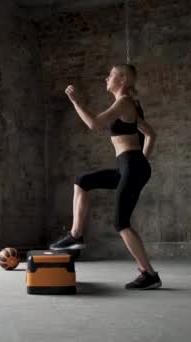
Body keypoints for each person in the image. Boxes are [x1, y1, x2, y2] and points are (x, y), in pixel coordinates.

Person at [49, 64, 162, 290]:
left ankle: (149, 273)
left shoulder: (124, 102)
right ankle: (75, 235)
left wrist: (76, 102)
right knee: (82, 181)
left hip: (131, 165)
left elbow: (94, 124)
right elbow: (151, 134)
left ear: (122, 79)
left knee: (121, 222)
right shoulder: (130, 105)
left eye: (110, 75)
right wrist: (142, 161)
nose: (106, 78)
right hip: (127, 166)